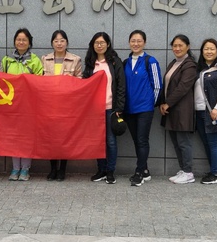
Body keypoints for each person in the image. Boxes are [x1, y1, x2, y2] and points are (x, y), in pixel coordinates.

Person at [1, 28, 44, 181]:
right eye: (18, 39)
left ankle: (25, 169)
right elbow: (1, 81)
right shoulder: (6, 60)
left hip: (28, 105)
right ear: (14, 42)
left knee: (26, 137)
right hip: (11, 105)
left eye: (24, 40)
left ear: (29, 43)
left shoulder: (35, 60)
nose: (21, 42)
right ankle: (15, 168)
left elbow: (39, 81)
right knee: (14, 136)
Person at [83, 32, 125, 185]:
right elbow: (85, 85)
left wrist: (119, 107)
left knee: (110, 141)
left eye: (102, 42)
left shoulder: (114, 62)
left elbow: (121, 85)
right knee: (97, 141)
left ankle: (110, 171)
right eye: (96, 43)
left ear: (108, 44)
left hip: (110, 108)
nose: (99, 45)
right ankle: (101, 170)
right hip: (95, 110)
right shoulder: (90, 63)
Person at [41, 29, 83, 181]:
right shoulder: (45, 59)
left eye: (62, 40)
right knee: (51, 137)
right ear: (52, 43)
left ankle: (62, 170)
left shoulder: (76, 59)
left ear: (67, 42)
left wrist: (69, 81)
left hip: (67, 106)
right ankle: (53, 169)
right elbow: (39, 81)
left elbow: (80, 81)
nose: (59, 43)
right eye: (56, 41)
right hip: (49, 105)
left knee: (65, 137)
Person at [123, 30, 162, 187]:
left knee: (142, 140)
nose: (136, 44)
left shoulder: (150, 61)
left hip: (144, 109)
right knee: (136, 140)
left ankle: (139, 172)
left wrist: (150, 104)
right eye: (133, 41)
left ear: (144, 43)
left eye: (139, 41)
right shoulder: (125, 62)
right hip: (129, 109)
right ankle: (145, 170)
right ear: (129, 43)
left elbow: (157, 85)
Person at [159, 34, 198, 184]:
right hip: (172, 110)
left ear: (188, 47)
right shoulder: (174, 63)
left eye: (180, 45)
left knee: (184, 142)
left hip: (182, 110)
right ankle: (183, 169)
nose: (177, 48)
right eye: (174, 45)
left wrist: (167, 103)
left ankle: (188, 173)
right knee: (176, 142)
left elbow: (182, 87)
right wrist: (163, 103)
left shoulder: (190, 65)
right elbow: (167, 86)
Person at [194, 38, 217, 185]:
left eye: (212, 49)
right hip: (199, 111)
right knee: (206, 143)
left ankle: (215, 173)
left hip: (212, 112)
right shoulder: (200, 69)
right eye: (206, 49)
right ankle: (215, 171)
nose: (209, 51)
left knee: (214, 143)